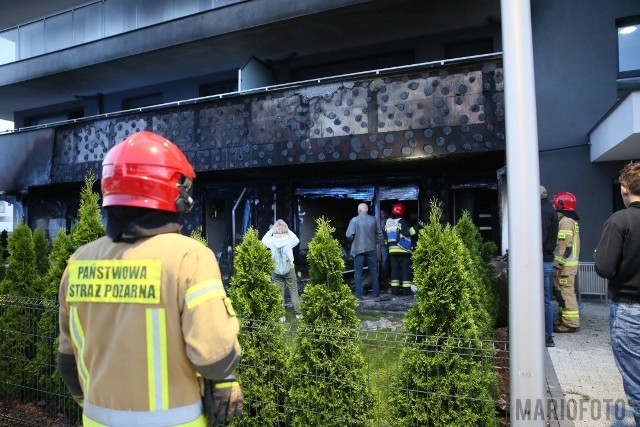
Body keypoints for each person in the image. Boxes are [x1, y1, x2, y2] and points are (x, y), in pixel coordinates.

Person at [57, 131, 243, 427]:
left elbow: (67, 362)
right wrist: (225, 379)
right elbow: (213, 354)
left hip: (95, 418)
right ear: (172, 192)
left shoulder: (79, 260)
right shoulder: (190, 257)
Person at [593, 162, 640, 426]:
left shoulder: (619, 220)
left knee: (636, 383)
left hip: (630, 311)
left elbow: (605, 267)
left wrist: (599, 256)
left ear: (624, 189)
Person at [552, 191, 581, 333]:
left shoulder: (565, 222)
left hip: (565, 267)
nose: (553, 205)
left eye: (555, 202)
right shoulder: (570, 220)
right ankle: (564, 318)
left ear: (561, 204)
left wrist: (558, 264)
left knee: (566, 293)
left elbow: (565, 246)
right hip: (567, 266)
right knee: (563, 293)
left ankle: (570, 323)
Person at [262, 219, 303, 319]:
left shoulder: (271, 240)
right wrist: (287, 230)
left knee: (279, 293)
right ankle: (298, 314)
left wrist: (272, 230)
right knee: (293, 291)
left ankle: (281, 316)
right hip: (289, 269)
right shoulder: (289, 239)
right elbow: (297, 240)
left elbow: (263, 240)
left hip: (275, 270)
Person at [384, 202, 423, 295]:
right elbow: (408, 232)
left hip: (392, 251)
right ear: (402, 212)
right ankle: (406, 291)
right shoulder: (401, 221)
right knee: (405, 271)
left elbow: (385, 237)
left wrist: (388, 248)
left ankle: (395, 291)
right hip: (403, 250)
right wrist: (418, 226)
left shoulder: (388, 222)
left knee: (394, 271)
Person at [345, 203, 382, 299]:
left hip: (358, 249)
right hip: (371, 249)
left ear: (359, 210)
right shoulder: (374, 219)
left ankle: (359, 295)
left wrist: (353, 241)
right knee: (373, 271)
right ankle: (376, 294)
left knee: (358, 273)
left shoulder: (354, 220)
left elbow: (349, 235)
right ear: (367, 210)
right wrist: (374, 242)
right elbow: (380, 234)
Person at [541, 185, 559, 347]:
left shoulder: (543, 211)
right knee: (545, 298)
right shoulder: (550, 210)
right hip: (546, 259)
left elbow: (539, 236)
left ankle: (547, 336)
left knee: (543, 299)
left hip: (541, 260)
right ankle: (547, 335)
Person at [379, 209, 390, 290]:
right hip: (379, 244)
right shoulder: (377, 221)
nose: (381, 214)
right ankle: (382, 278)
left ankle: (385, 278)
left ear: (386, 213)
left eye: (382, 213)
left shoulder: (388, 221)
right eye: (380, 213)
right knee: (381, 261)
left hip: (385, 245)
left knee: (385, 261)